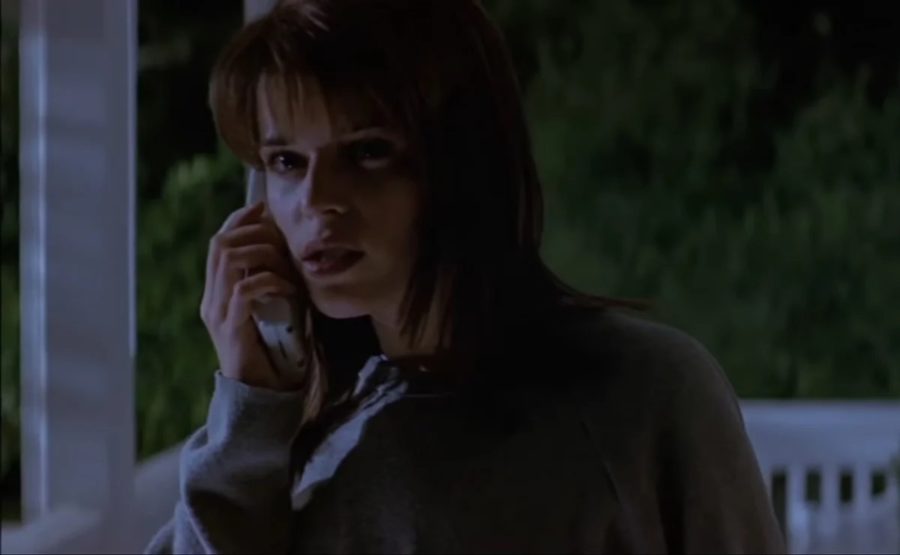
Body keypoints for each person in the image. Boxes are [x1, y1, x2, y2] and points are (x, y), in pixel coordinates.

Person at [145, 0, 786, 552]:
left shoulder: (644, 393)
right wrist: (251, 407)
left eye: (368, 152)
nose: (317, 201)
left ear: (459, 163)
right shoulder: (304, 438)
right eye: (286, 161)